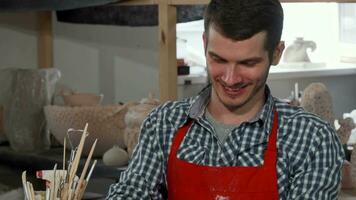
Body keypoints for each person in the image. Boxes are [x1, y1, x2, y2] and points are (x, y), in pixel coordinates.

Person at [106, 0, 344, 199]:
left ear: (277, 53)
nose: (230, 79)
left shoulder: (312, 139)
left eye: (247, 63)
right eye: (218, 59)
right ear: (204, 44)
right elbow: (131, 192)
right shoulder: (164, 123)